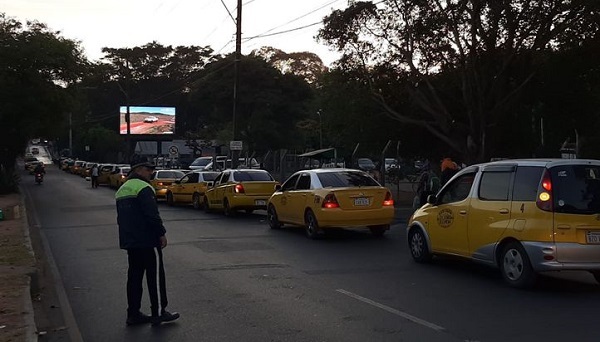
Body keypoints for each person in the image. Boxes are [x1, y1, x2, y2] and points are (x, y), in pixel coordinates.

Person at [115, 160, 180, 326]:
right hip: (147, 240)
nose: (151, 172)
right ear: (138, 170)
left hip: (130, 241)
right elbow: (151, 214)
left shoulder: (122, 189)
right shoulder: (144, 188)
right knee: (155, 277)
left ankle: (133, 313)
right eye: (148, 169)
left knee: (134, 277)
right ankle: (158, 313)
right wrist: (161, 233)